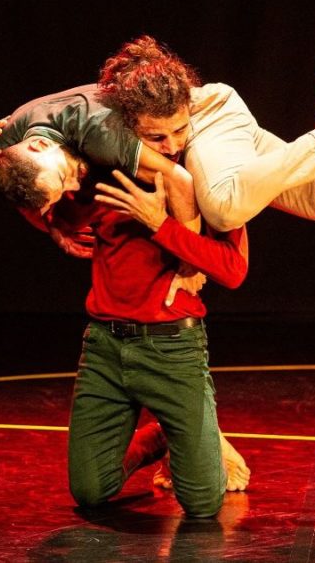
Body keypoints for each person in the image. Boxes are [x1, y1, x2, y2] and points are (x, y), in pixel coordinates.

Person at [0, 33, 315, 233]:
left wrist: (190, 261)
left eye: (63, 178)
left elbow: (179, 177)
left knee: (224, 210)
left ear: (42, 144)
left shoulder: (100, 133)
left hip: (202, 116)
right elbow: (11, 177)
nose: (73, 183)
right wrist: (55, 225)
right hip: (186, 114)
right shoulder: (11, 142)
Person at [53, 165, 249, 518]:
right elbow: (55, 212)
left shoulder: (211, 180)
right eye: (155, 135)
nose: (166, 145)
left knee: (203, 504)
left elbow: (233, 271)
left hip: (173, 348)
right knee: (90, 491)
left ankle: (193, 435)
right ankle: (160, 437)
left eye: (176, 133)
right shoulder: (107, 175)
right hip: (105, 347)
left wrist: (160, 223)